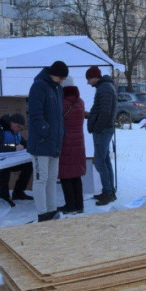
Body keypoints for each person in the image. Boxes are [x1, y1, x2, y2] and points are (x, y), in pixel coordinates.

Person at [28, 61, 68, 222]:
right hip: (41, 143)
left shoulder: (57, 89)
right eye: (61, 77)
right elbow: (35, 114)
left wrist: (59, 133)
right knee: (41, 178)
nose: (62, 81)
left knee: (52, 178)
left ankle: (51, 209)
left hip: (54, 141)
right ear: (54, 74)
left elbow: (58, 115)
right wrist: (45, 131)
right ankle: (42, 213)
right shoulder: (39, 86)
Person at [0, 113, 33, 207]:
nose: (19, 130)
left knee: (29, 165)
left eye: (21, 128)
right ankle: (4, 196)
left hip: (7, 160)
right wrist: (14, 148)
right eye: (18, 126)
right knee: (4, 168)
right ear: (11, 123)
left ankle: (18, 193)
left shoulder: (15, 131)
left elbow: (23, 143)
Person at [86, 66, 118, 206]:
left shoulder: (104, 88)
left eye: (88, 79)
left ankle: (108, 193)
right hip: (105, 129)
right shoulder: (105, 87)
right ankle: (109, 191)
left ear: (94, 77)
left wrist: (97, 127)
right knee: (105, 161)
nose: (88, 82)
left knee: (100, 161)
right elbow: (101, 109)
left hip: (103, 130)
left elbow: (105, 112)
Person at [58, 77, 86, 214]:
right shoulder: (80, 102)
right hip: (79, 142)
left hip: (66, 143)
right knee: (76, 175)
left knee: (66, 175)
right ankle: (79, 205)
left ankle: (70, 205)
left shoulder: (61, 102)